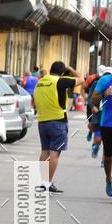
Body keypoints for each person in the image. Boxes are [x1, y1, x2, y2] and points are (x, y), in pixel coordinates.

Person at [32, 60, 83, 193]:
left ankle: (43, 182)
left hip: (42, 122)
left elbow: (34, 100)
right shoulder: (60, 81)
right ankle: (47, 183)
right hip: (58, 122)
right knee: (55, 153)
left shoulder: (41, 82)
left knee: (45, 152)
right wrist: (71, 68)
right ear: (62, 72)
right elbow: (81, 79)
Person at [92, 54, 112, 200]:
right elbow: (94, 98)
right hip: (107, 123)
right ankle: (108, 179)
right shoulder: (105, 80)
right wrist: (105, 93)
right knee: (109, 157)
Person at [86, 65, 110, 158]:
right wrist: (92, 106)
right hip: (97, 114)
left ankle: (104, 160)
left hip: (109, 116)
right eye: (105, 75)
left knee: (107, 142)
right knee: (98, 139)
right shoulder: (96, 83)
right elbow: (90, 98)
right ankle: (95, 146)